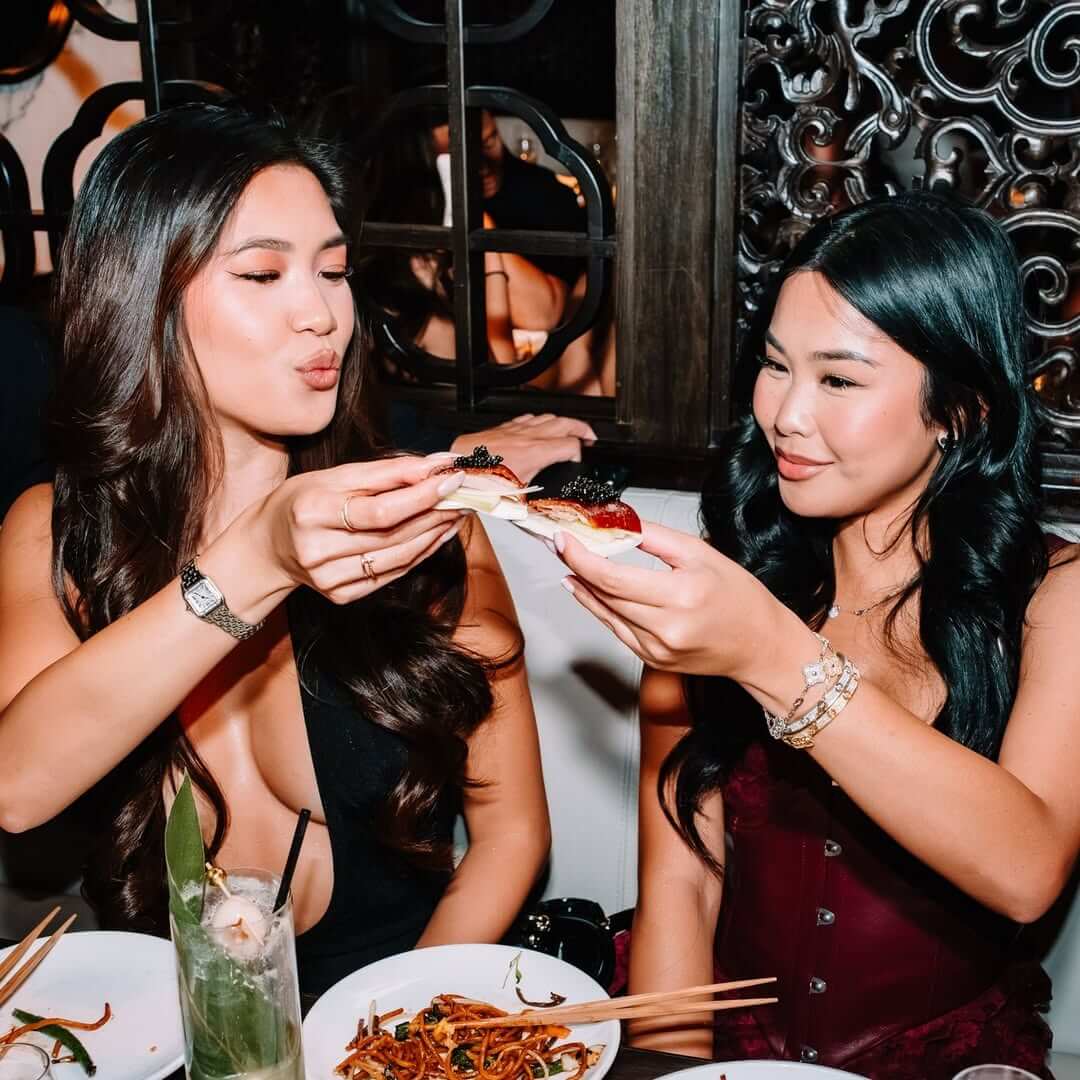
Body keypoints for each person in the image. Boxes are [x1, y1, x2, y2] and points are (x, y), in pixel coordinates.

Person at [0, 104, 551, 996]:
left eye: (334, 271)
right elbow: (18, 787)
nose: (322, 314)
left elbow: (512, 831)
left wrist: (394, 1027)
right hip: (172, 1029)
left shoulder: (415, 518)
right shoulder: (56, 526)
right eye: (261, 274)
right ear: (140, 297)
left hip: (402, 1000)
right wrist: (257, 560)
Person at [550, 192, 1080, 1077]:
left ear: (961, 409)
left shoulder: (1051, 596)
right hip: (731, 1044)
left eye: (838, 379)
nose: (787, 415)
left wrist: (771, 654)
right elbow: (683, 878)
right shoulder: (732, 576)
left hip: (942, 1055)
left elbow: (1026, 869)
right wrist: (684, 1071)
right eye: (774, 365)